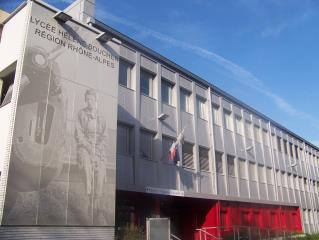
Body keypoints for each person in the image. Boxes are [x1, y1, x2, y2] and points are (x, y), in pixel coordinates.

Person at [75, 89, 107, 224]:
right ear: (85, 100)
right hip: (84, 148)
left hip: (98, 151)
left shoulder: (102, 117)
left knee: (100, 174)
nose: (90, 102)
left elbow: (104, 137)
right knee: (88, 168)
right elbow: (78, 134)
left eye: (92, 99)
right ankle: (88, 198)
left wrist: (98, 150)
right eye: (87, 99)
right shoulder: (81, 114)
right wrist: (89, 148)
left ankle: (95, 205)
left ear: (96, 101)